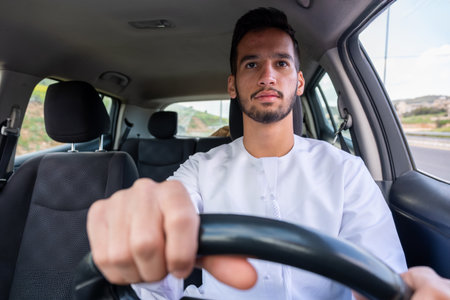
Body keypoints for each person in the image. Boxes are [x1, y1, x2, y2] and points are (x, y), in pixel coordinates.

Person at [87, 7, 408, 299]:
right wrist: (145, 221)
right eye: (252, 63)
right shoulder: (199, 169)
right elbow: (166, 215)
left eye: (281, 63)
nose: (267, 75)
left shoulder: (345, 170)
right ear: (233, 85)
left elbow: (381, 277)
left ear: (298, 82)